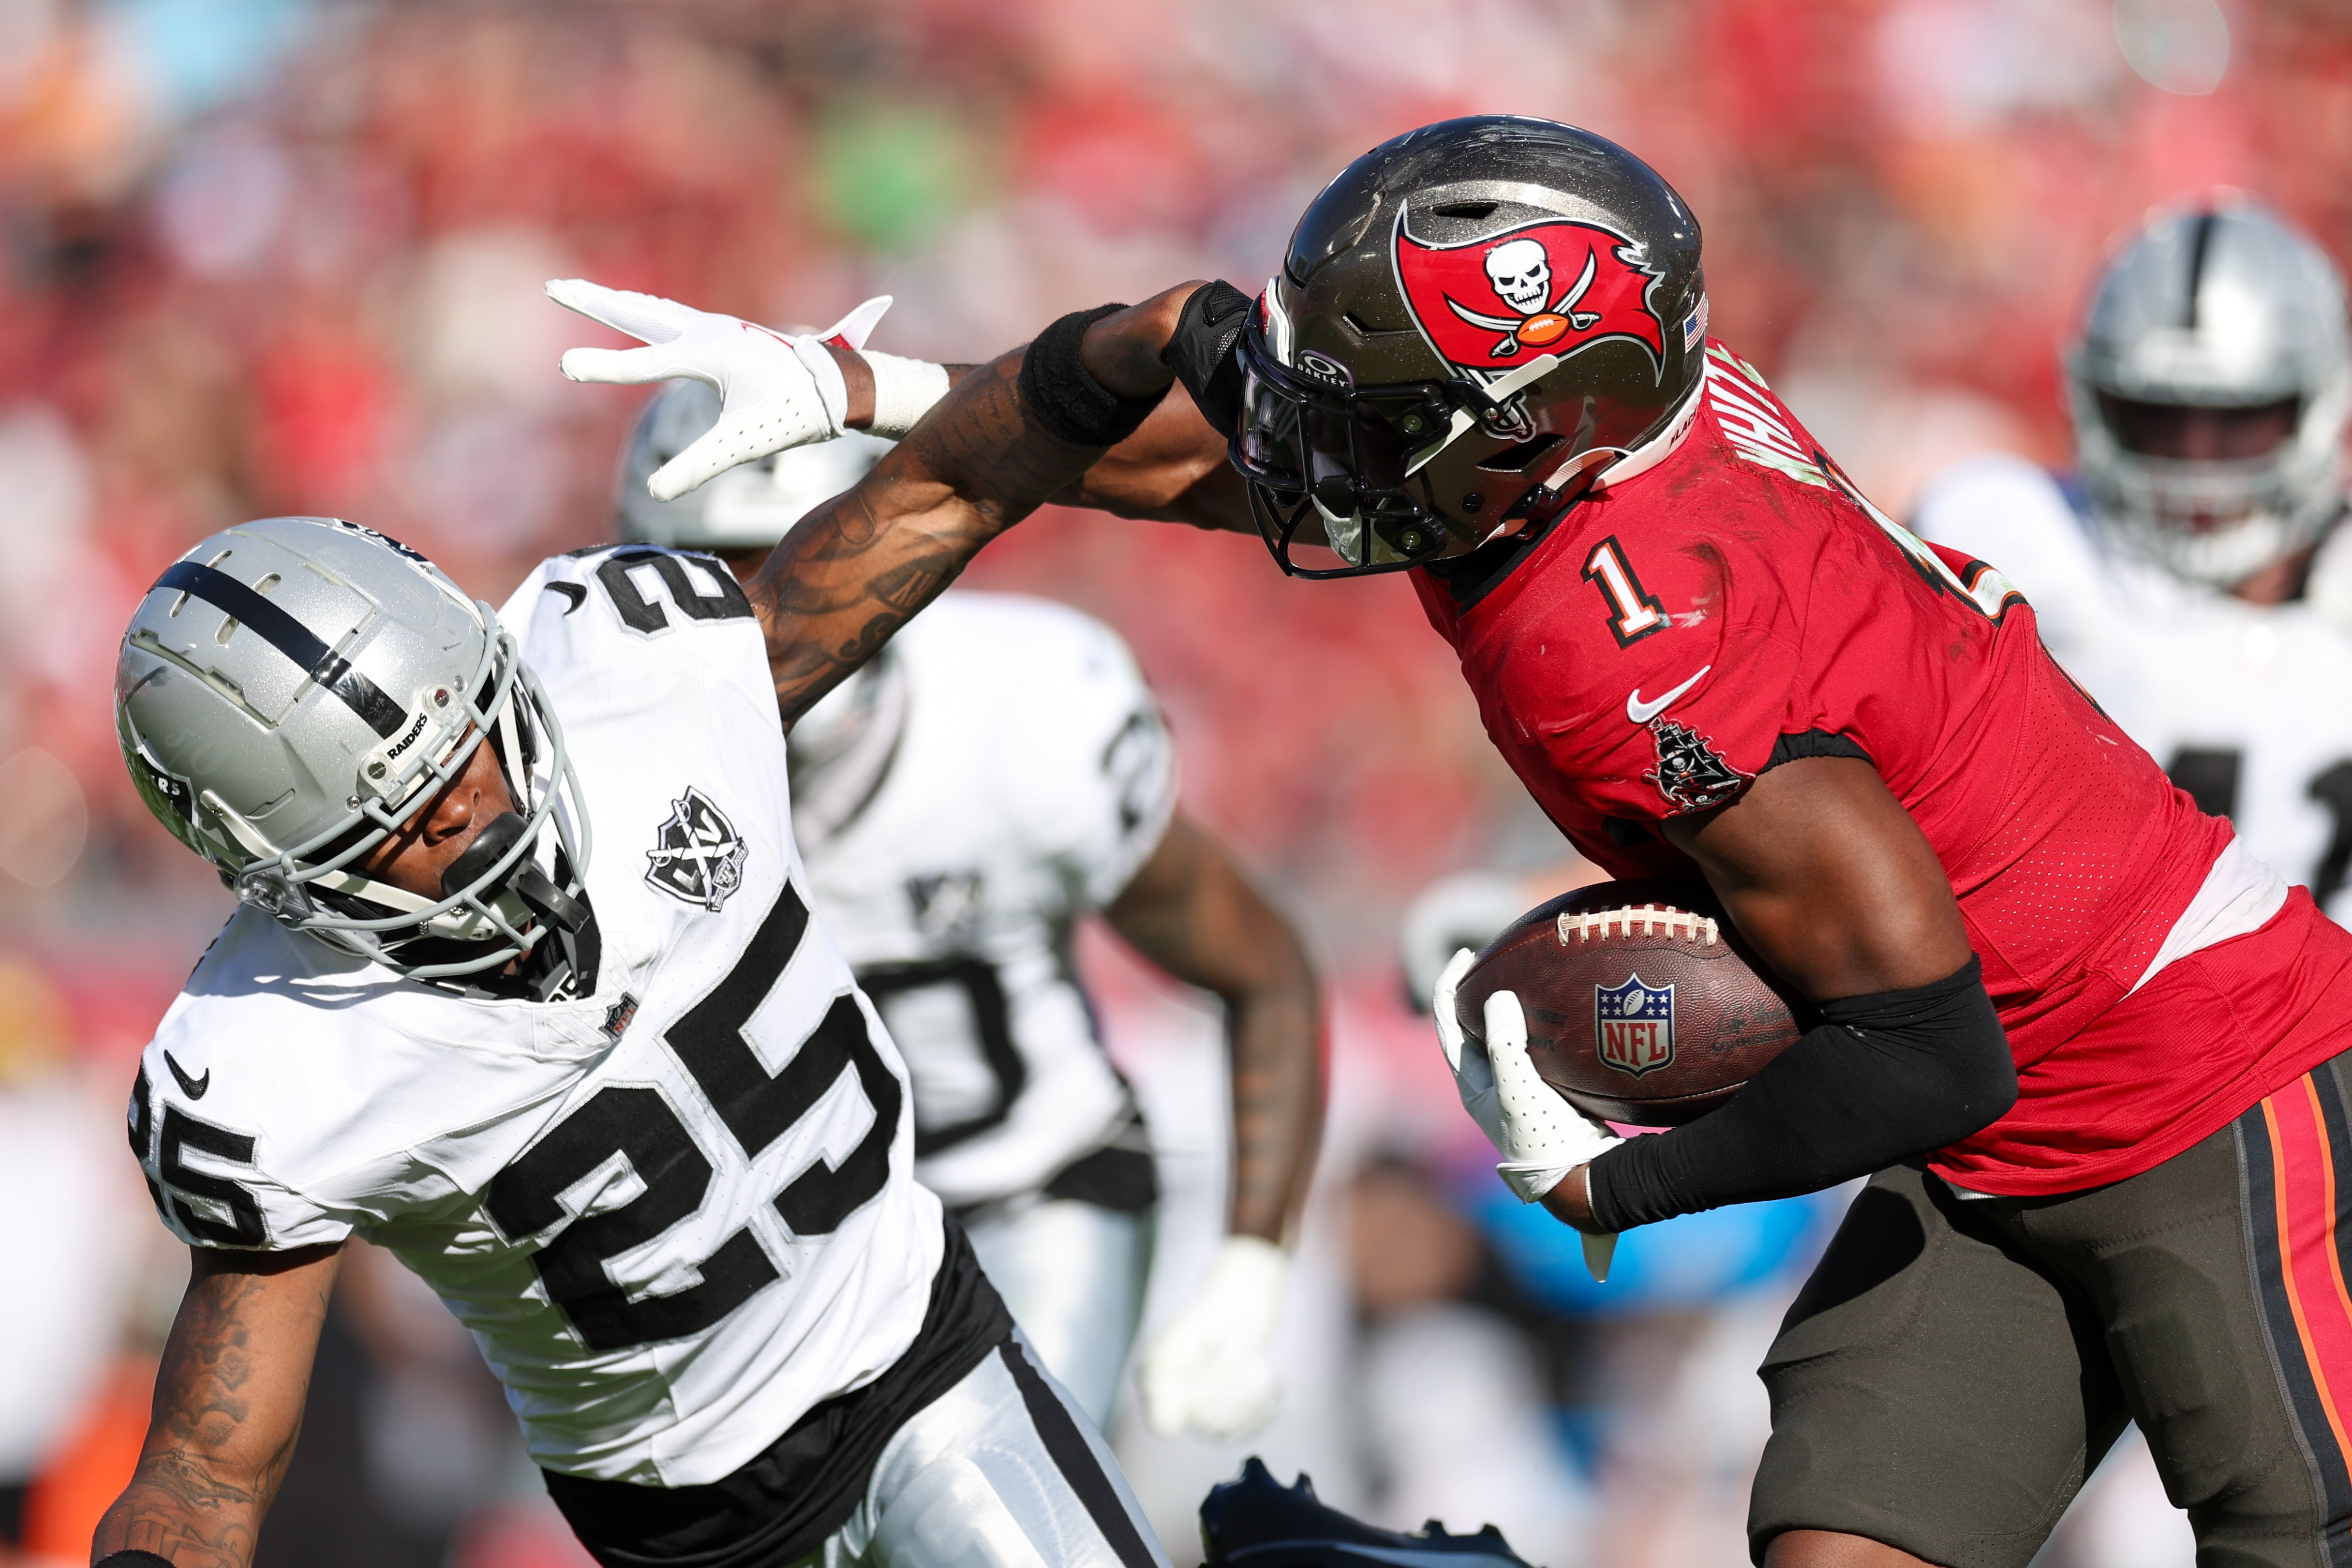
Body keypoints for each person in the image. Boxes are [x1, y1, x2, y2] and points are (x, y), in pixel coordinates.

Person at [550, 114, 2352, 1567]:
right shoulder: (1557, 461)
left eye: (1372, 405)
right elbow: (1187, 433)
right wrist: (884, 399)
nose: (1315, 431)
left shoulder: (1632, 631)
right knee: (1841, 1541)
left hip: (2213, 1089)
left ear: (1540, 437)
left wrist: (1608, 1185)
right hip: (1997, 1127)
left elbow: (1931, 1048)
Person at [97, 514, 1169, 1568]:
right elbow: (207, 1468)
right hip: (698, 1528)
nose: (468, 821)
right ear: (278, 874)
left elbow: (952, 482)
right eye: (392, 824)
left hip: (918, 1347)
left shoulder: (640, 679)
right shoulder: (268, 1062)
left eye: (462, 751)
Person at [611, 381, 1324, 1436]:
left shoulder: (1021, 715)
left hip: (1030, 1192)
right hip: (796, 1263)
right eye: (693, 576)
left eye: (775, 563)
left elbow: (1263, 970)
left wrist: (1247, 1275)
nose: (743, 616)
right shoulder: (596, 773)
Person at [1913, 201, 2352, 919]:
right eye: (2155, 414)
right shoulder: (2015, 538)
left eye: (2240, 418)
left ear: (2315, 407)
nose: (2195, 458)